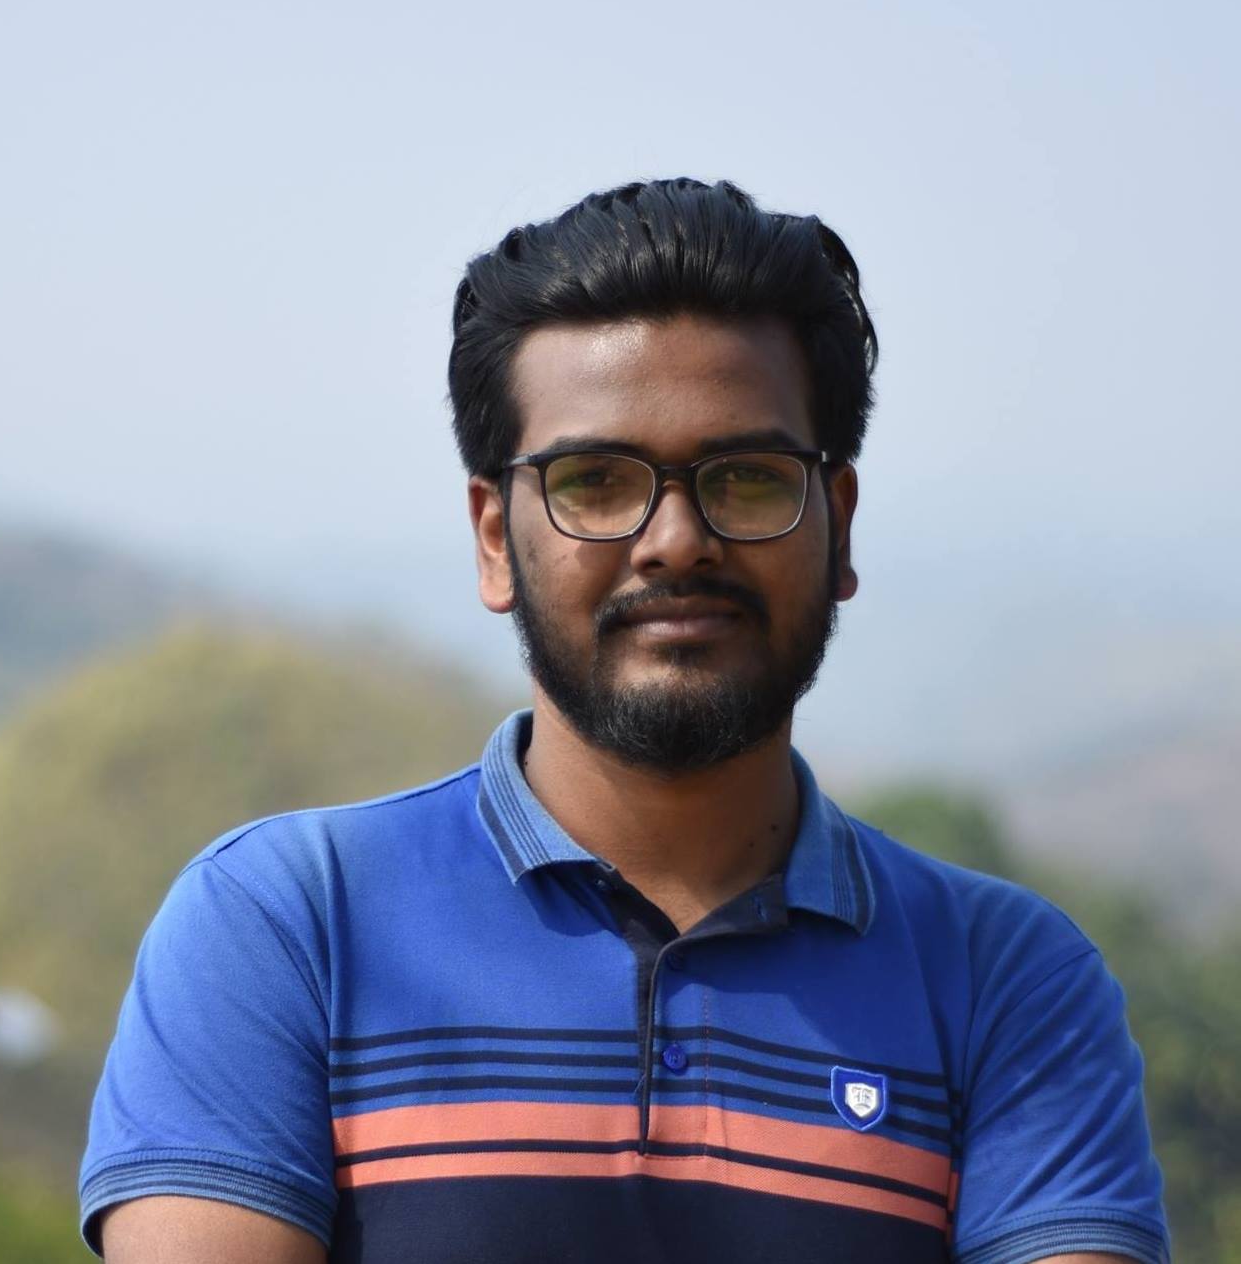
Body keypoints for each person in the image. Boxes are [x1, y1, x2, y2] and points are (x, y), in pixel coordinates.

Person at [80, 179, 1169, 1264]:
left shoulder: (1007, 984)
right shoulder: (286, 927)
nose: (676, 540)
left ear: (837, 527)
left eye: (747, 479)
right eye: (595, 481)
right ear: (494, 539)